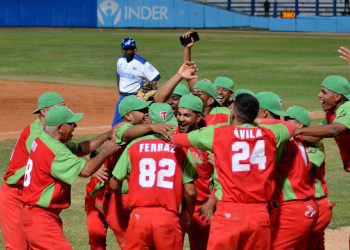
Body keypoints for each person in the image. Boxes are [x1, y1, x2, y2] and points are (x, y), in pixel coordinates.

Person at [171, 93, 295, 250]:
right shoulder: (270, 134)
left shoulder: (219, 133)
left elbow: (178, 140)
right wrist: (257, 121)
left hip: (228, 213)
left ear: (234, 113)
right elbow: (290, 127)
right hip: (259, 214)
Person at [20, 106, 120, 250]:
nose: (75, 127)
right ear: (61, 127)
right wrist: (105, 152)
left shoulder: (44, 139)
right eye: (72, 124)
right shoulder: (55, 150)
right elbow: (86, 170)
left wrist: (108, 134)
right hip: (40, 219)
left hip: (35, 215)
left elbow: (81, 148)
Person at [109, 102, 198, 250]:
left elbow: (113, 184)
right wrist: (188, 213)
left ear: (149, 121)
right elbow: (190, 191)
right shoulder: (180, 149)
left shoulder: (133, 146)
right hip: (167, 218)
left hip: (139, 218)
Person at [0, 92, 65, 250]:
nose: (63, 112)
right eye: (60, 108)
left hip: (30, 197)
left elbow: (70, 151)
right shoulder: (36, 134)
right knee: (17, 246)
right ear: (44, 111)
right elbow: (53, 157)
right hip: (15, 195)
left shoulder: (49, 133)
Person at [284, 106, 333, 250]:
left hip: (318, 204)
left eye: (288, 120)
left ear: (299, 125)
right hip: (306, 204)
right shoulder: (295, 142)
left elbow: (306, 169)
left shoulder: (314, 145)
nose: (284, 122)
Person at [177, 95, 214, 250]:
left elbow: (223, 178)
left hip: (201, 210)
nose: (181, 119)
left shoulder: (209, 141)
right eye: (179, 114)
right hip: (175, 208)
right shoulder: (171, 136)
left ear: (198, 117)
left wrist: (212, 202)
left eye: (187, 115)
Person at [296, 75, 350, 172]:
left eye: (324, 92)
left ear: (337, 96)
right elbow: (313, 137)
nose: (319, 95)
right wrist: (287, 134)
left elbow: (334, 130)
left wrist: (298, 130)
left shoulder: (348, 107)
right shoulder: (331, 114)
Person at [112, 37, 160, 126]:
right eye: (127, 49)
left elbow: (156, 76)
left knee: (135, 122)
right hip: (123, 97)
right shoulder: (120, 60)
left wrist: (147, 87)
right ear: (123, 50)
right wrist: (119, 88)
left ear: (135, 49)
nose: (129, 51)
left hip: (135, 97)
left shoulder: (141, 63)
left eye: (132, 48)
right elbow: (118, 73)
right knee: (116, 123)